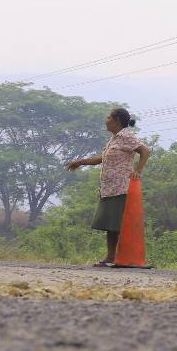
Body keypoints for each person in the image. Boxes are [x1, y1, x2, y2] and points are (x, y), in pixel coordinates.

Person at [66, 107, 150, 267]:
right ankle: (111, 257)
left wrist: (138, 171)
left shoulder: (126, 136)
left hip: (121, 187)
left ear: (117, 120)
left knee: (116, 224)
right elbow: (102, 158)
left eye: (108, 118)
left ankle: (122, 257)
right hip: (109, 188)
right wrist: (81, 162)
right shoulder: (115, 139)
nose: (106, 120)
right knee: (110, 224)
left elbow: (145, 151)